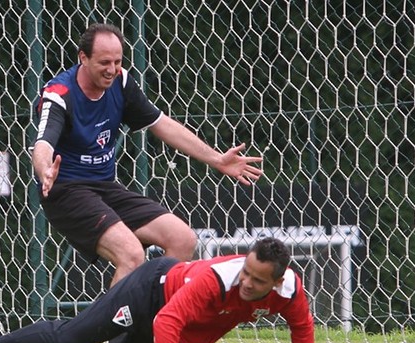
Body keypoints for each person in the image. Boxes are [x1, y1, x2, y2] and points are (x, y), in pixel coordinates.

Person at [32, 23, 263, 287]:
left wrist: (217, 159)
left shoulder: (122, 82)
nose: (112, 69)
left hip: (104, 187)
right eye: (104, 62)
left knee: (182, 239)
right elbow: (44, 142)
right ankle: (108, 329)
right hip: (66, 190)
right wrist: (45, 170)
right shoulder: (59, 94)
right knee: (130, 255)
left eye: (117, 61)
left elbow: (161, 123)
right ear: (82, 57)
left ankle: (152, 322)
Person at [0, 237, 340, 343]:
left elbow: (302, 325)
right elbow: (168, 320)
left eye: (257, 281)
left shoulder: (289, 291)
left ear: (276, 282)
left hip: (161, 319)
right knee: (73, 334)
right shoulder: (215, 278)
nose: (246, 283)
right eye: (245, 271)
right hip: (146, 294)